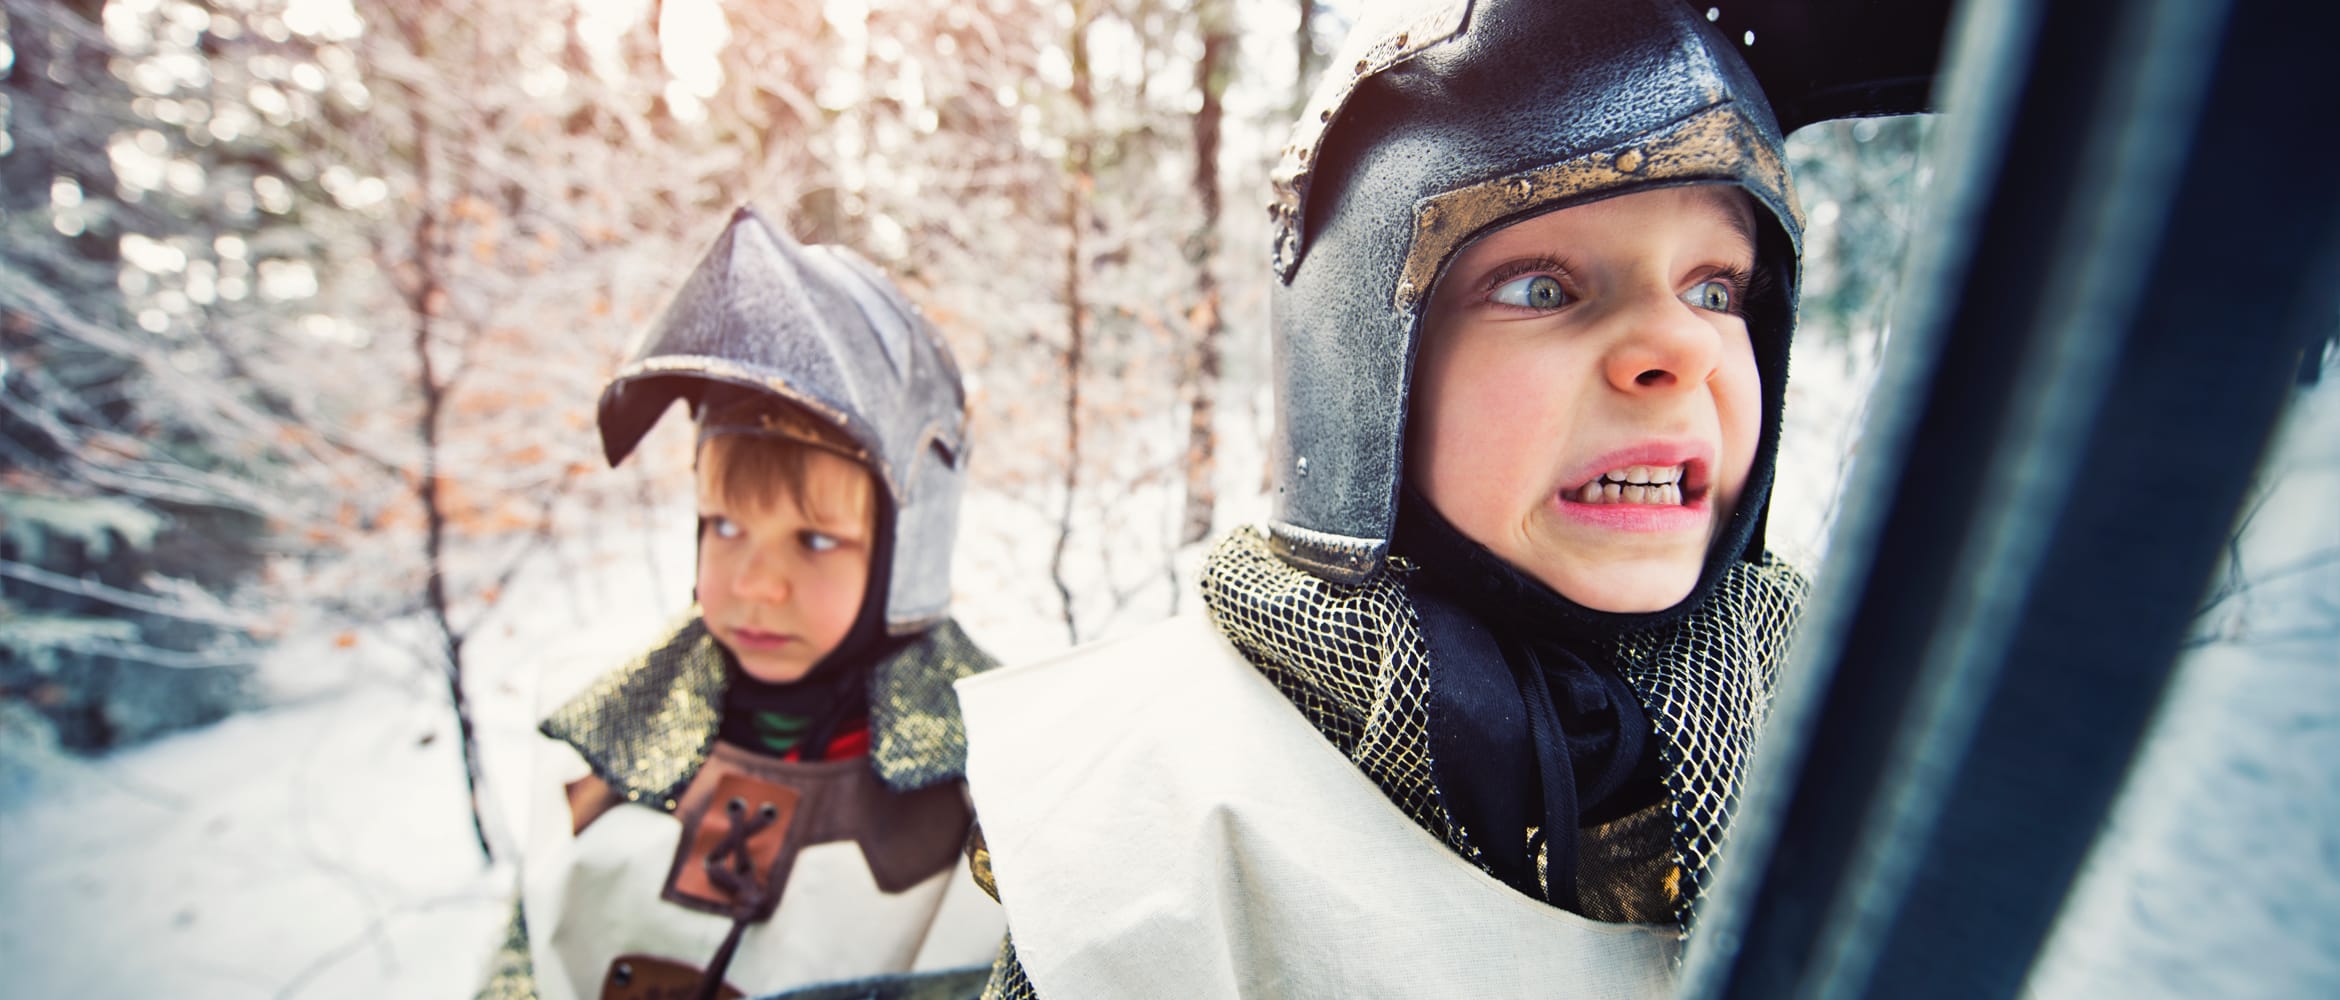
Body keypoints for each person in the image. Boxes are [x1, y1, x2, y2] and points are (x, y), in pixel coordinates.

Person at [954, 1, 1811, 996]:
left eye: (1716, 287)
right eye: (1542, 286)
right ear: (1369, 369)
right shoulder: (1156, 821)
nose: (1684, 346)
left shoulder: (1877, 731)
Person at [477, 207, 1002, 1000]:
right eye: (725, 526)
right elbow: (520, 963)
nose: (756, 583)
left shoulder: (993, 799)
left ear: (909, 550)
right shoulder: (610, 740)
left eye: (814, 540)